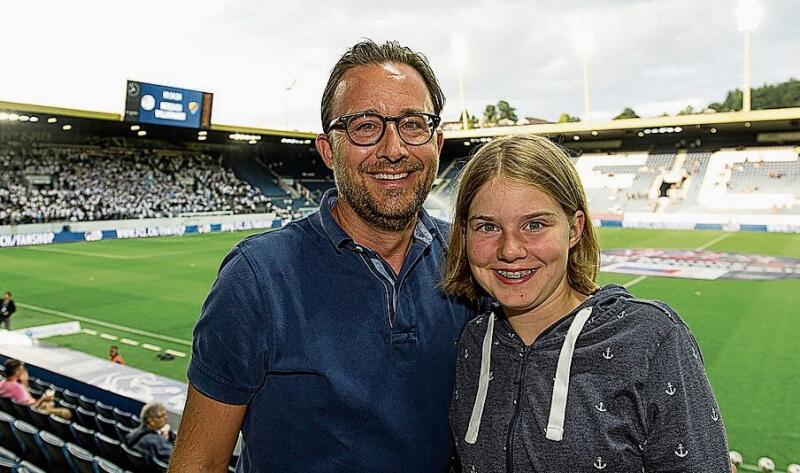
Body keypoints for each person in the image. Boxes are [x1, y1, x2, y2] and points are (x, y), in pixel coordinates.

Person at [168, 40, 472, 473]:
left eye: (413, 124)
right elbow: (196, 465)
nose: (394, 148)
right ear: (328, 150)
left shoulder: (471, 260)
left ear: (437, 142)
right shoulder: (256, 278)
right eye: (365, 126)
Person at [443, 134, 732, 472]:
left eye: (534, 224)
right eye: (487, 226)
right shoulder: (472, 340)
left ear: (574, 228)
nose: (510, 250)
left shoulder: (650, 338)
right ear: (465, 233)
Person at [0, 359, 71, 420]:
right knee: (66, 413)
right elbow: (30, 409)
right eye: (23, 370)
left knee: (50, 403)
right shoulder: (18, 387)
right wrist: (42, 398)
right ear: (18, 373)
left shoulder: (2, 383)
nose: (25, 372)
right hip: (33, 414)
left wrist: (24, 383)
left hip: (25, 409)